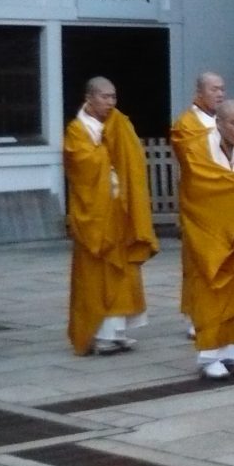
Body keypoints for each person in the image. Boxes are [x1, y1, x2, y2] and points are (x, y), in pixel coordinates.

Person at [176, 99, 234, 379]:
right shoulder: (197, 151)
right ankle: (210, 355)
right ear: (218, 123)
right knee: (212, 296)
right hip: (210, 239)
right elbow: (200, 189)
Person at [63, 76, 158, 355]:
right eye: (104, 97)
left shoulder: (118, 122)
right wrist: (107, 152)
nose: (110, 102)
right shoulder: (76, 130)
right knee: (96, 276)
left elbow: (132, 158)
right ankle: (99, 334)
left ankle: (117, 332)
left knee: (123, 273)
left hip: (119, 211)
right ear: (89, 98)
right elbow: (82, 165)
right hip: (95, 214)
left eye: (113, 97)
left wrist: (116, 151)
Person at [171, 71, 227, 340]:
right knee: (199, 263)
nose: (220, 94)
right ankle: (197, 314)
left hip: (226, 204)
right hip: (199, 204)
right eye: (214, 89)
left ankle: (224, 310)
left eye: (222, 89)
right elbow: (193, 160)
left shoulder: (227, 120)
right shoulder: (186, 124)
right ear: (199, 93)